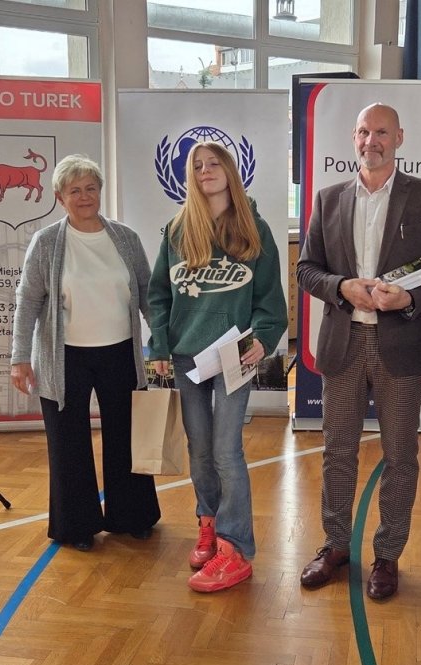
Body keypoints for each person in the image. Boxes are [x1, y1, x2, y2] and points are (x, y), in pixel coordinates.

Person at [296, 103, 421, 600]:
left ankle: (388, 554)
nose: (372, 141)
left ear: (399, 138)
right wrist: (342, 287)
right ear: (354, 137)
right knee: (337, 451)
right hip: (344, 342)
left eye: (382, 132)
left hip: (401, 345)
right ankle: (335, 546)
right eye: (364, 132)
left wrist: (409, 299)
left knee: (400, 455)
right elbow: (307, 270)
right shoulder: (328, 199)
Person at [148, 141, 287, 593]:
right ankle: (207, 522)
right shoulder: (177, 229)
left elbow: (270, 299)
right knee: (200, 450)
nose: (205, 170)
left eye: (213, 163)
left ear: (229, 170)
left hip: (233, 355)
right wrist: (159, 344)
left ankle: (235, 547)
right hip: (187, 356)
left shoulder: (254, 229)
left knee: (227, 452)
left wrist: (263, 338)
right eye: (197, 166)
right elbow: (158, 295)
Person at [11, 154, 160, 552]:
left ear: (100, 191)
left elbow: (147, 294)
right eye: (74, 190)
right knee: (68, 444)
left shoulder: (125, 238)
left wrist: (161, 341)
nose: (84, 196)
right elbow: (28, 301)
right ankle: (75, 526)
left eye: (90, 188)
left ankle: (132, 517)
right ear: (60, 197)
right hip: (64, 359)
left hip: (120, 354)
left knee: (127, 437)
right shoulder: (46, 242)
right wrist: (19, 357)